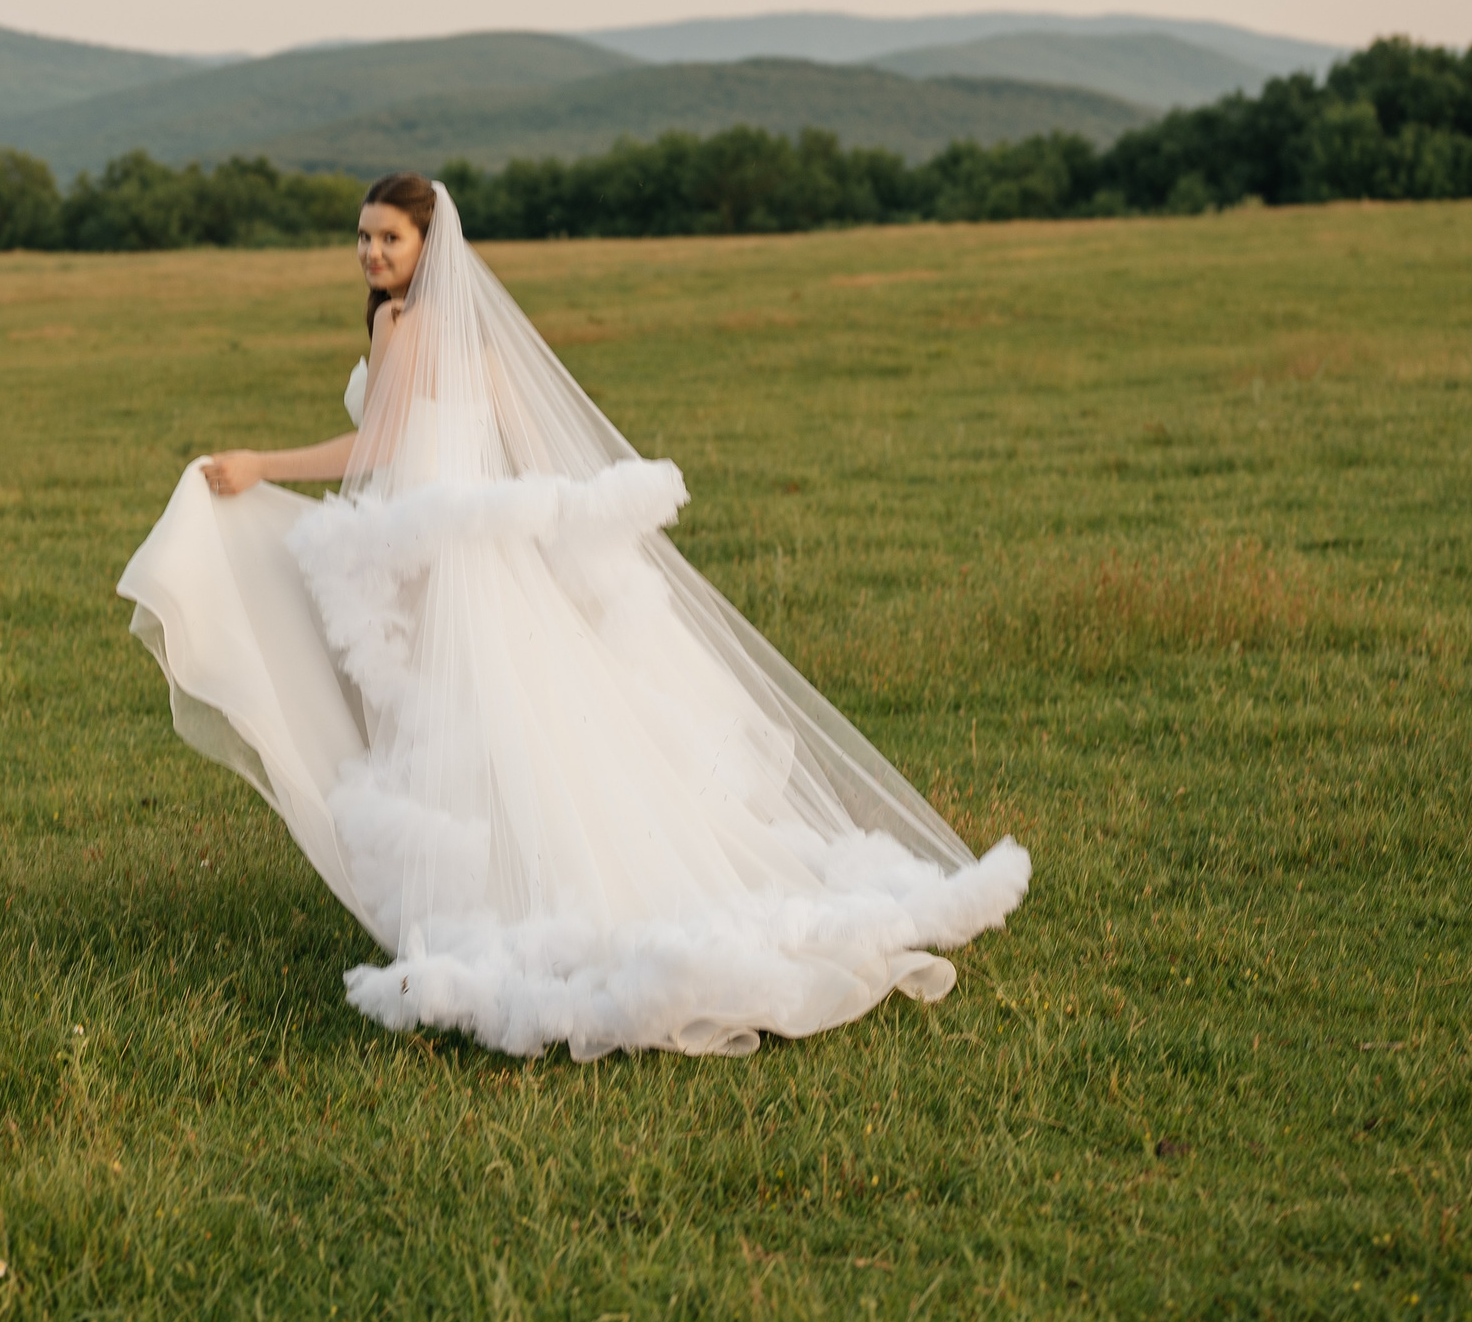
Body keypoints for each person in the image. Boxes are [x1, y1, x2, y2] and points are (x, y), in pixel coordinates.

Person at [118, 173, 1028, 1060]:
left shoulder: (403, 323)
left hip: (437, 553)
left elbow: (384, 443)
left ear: (429, 248)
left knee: (460, 733)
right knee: (523, 727)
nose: (369, 252)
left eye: (388, 237)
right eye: (362, 236)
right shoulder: (476, 339)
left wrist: (260, 463)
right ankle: (536, 896)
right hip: (475, 548)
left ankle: (490, 917)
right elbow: (509, 441)